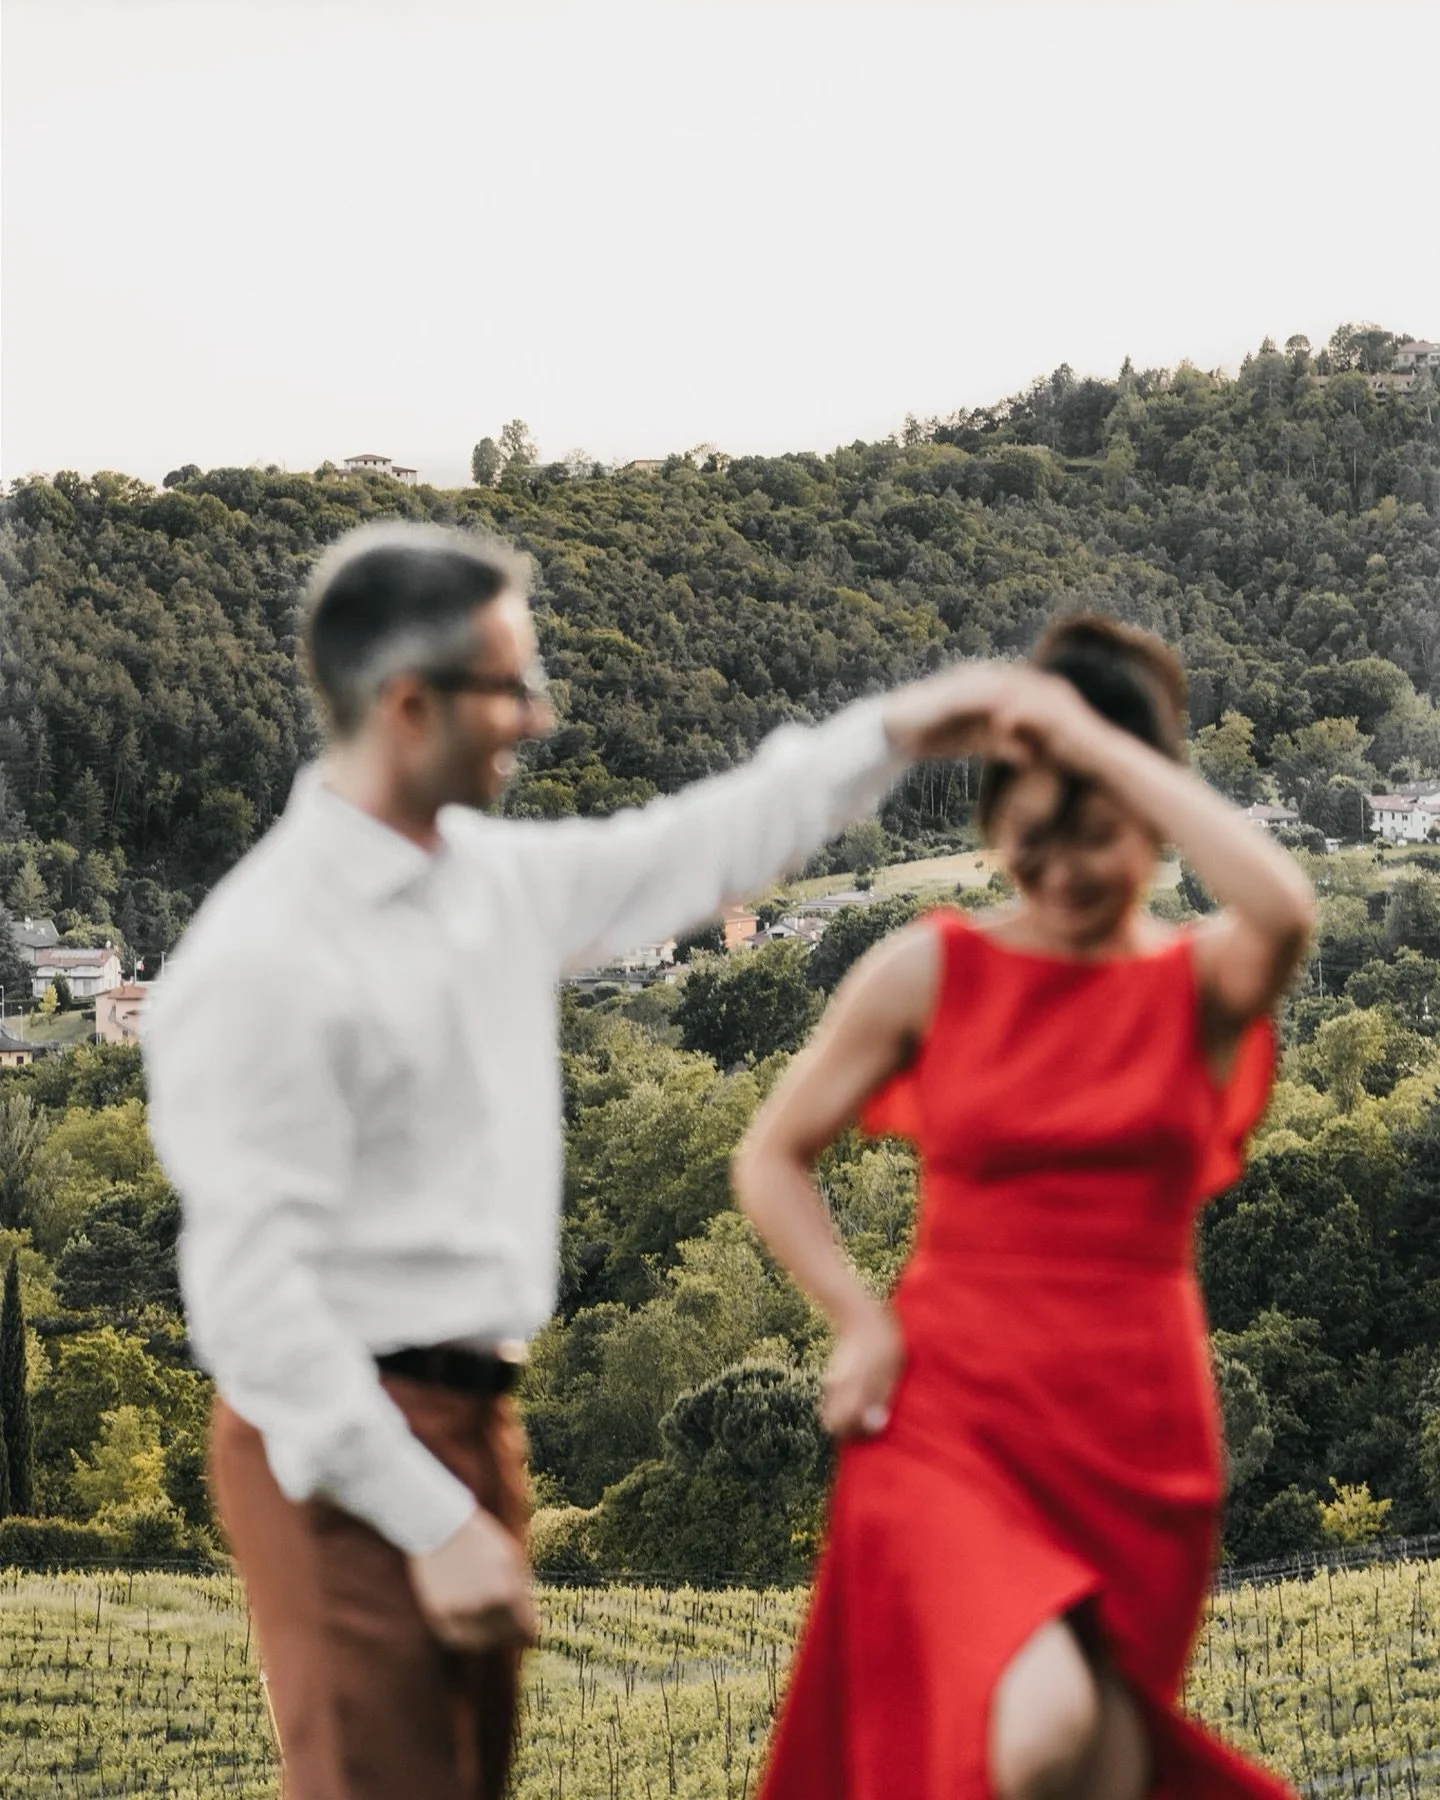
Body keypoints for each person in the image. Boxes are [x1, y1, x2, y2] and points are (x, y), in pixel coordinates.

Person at [143, 519, 1033, 1800]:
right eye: (510, 684)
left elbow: (695, 847)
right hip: (343, 1446)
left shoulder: (489, 880)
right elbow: (251, 1310)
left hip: (467, 1416)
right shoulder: (264, 959)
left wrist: (897, 728)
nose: (540, 715)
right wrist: (431, 1518)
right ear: (408, 703)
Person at [732, 616, 1314, 1800]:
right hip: (950, 1411)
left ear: (1150, 817)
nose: (1057, 869)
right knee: (1040, 1732)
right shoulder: (928, 969)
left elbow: (1286, 909)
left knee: (1091, 1763)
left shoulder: (1198, 980)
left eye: (1093, 833)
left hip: (1135, 1430)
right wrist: (856, 1318)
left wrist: (1100, 743)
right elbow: (771, 1156)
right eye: (1027, 833)